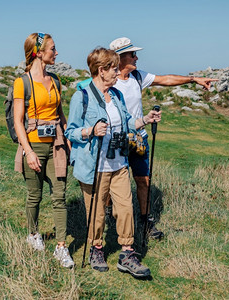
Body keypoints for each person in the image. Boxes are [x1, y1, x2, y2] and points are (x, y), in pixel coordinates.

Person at [109, 37, 218, 239]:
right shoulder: (109, 81)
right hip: (118, 141)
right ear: (119, 58)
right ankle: (111, 215)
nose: (136, 57)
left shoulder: (137, 77)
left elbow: (165, 79)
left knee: (144, 181)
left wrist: (194, 79)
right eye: (132, 54)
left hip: (139, 139)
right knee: (113, 181)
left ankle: (145, 222)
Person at [65, 47, 161, 278]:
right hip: (94, 166)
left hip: (119, 164)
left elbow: (127, 123)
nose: (118, 73)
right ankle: (96, 249)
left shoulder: (116, 96)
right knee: (96, 214)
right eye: (114, 69)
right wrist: (90, 130)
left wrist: (146, 119)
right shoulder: (83, 96)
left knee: (126, 209)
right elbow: (71, 132)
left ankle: (127, 254)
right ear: (101, 70)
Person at [13, 32, 73, 268]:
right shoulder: (22, 83)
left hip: (56, 144)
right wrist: (28, 152)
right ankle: (33, 234)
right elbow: (18, 121)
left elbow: (60, 114)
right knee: (34, 196)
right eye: (52, 49)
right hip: (34, 144)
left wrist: (68, 139)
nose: (56, 53)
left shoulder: (56, 80)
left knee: (59, 196)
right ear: (38, 52)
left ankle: (61, 247)